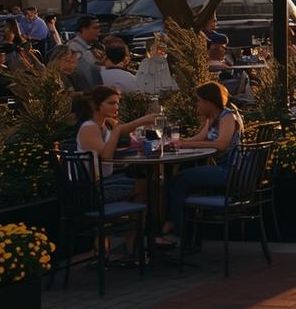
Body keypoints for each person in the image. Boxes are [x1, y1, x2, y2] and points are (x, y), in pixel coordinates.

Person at [156, 82, 243, 247]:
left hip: (229, 171)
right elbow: (198, 138)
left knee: (178, 180)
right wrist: (178, 142)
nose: (197, 104)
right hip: (220, 168)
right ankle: (183, 232)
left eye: (199, 101)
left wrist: (185, 145)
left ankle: (173, 228)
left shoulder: (227, 117)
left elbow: (221, 144)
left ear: (209, 102)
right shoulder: (212, 118)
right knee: (179, 176)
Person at [74, 85, 155, 261]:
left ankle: (128, 239)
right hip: (93, 190)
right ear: (97, 105)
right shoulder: (89, 128)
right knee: (144, 187)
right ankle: (132, 242)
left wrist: (144, 120)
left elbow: (123, 129)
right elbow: (105, 156)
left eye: (117, 103)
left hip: (103, 182)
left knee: (145, 184)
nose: (116, 107)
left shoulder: (104, 125)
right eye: (111, 103)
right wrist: (118, 131)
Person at [66, 16, 106, 90]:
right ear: (84, 29)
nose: (99, 31)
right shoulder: (74, 48)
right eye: (95, 28)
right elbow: (87, 75)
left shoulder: (90, 46)